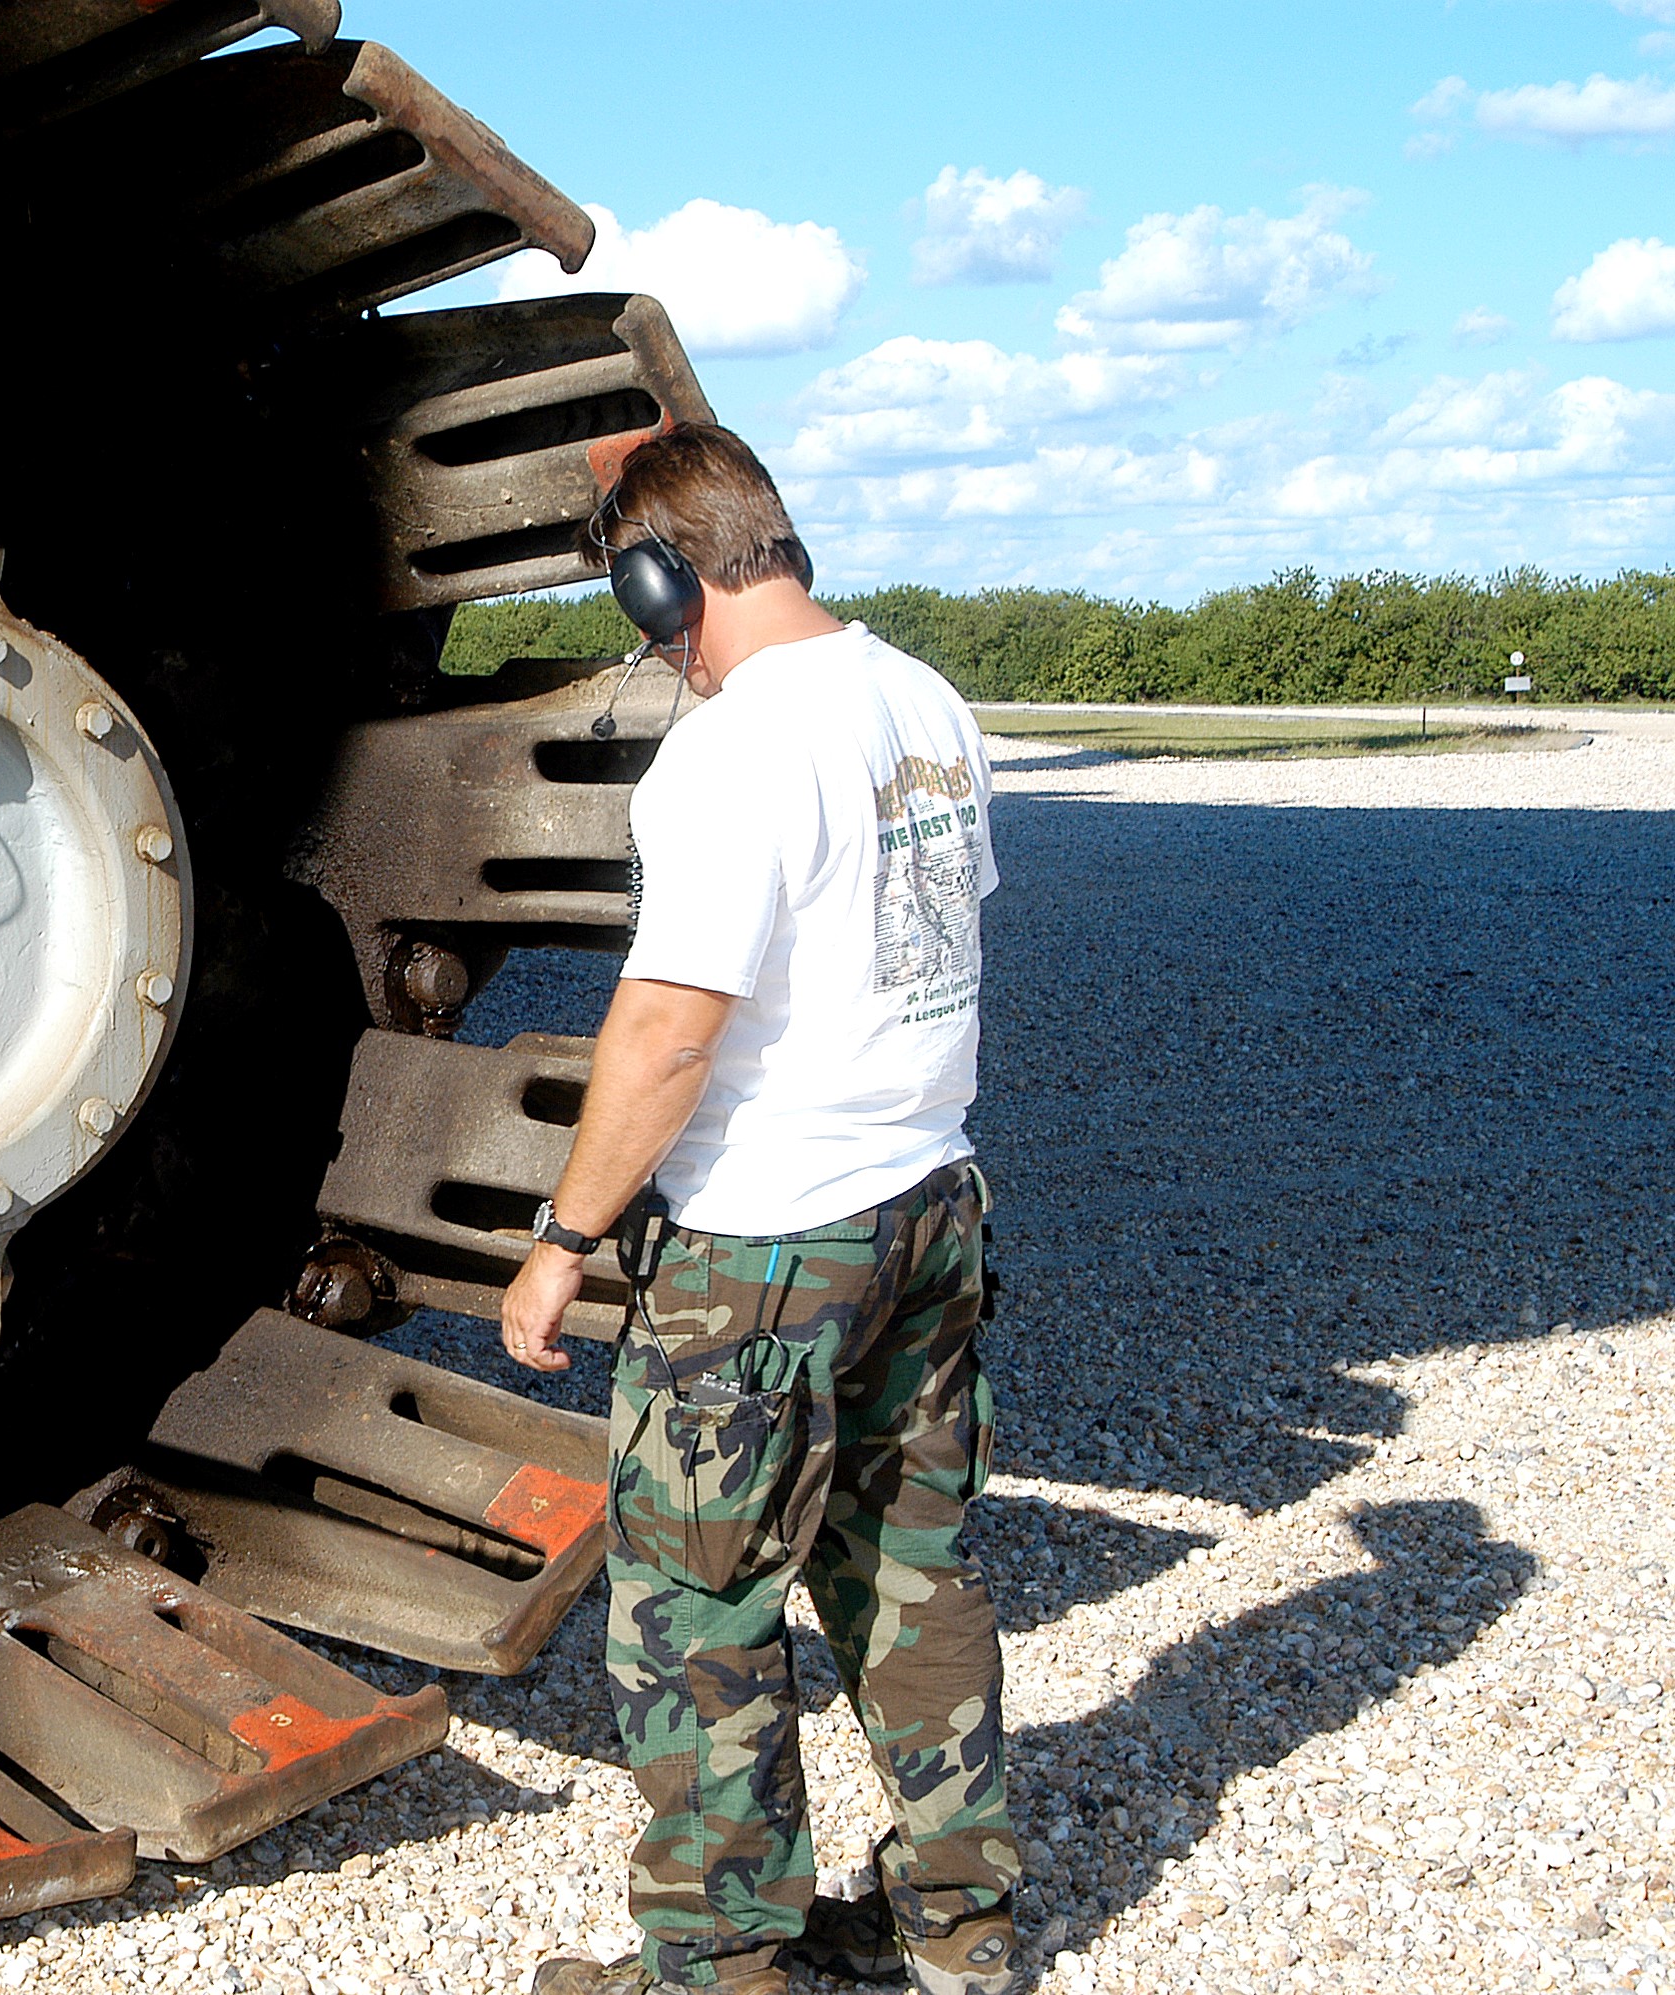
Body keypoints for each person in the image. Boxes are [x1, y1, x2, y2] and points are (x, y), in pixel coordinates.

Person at [510, 424, 1018, 1995]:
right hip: (928, 1205)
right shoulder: (924, 698)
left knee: (699, 1614)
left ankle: (723, 1965)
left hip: (763, 1249)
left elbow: (669, 1031)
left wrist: (562, 1242)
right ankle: (963, 1929)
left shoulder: (731, 751)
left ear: (658, 580)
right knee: (911, 1570)